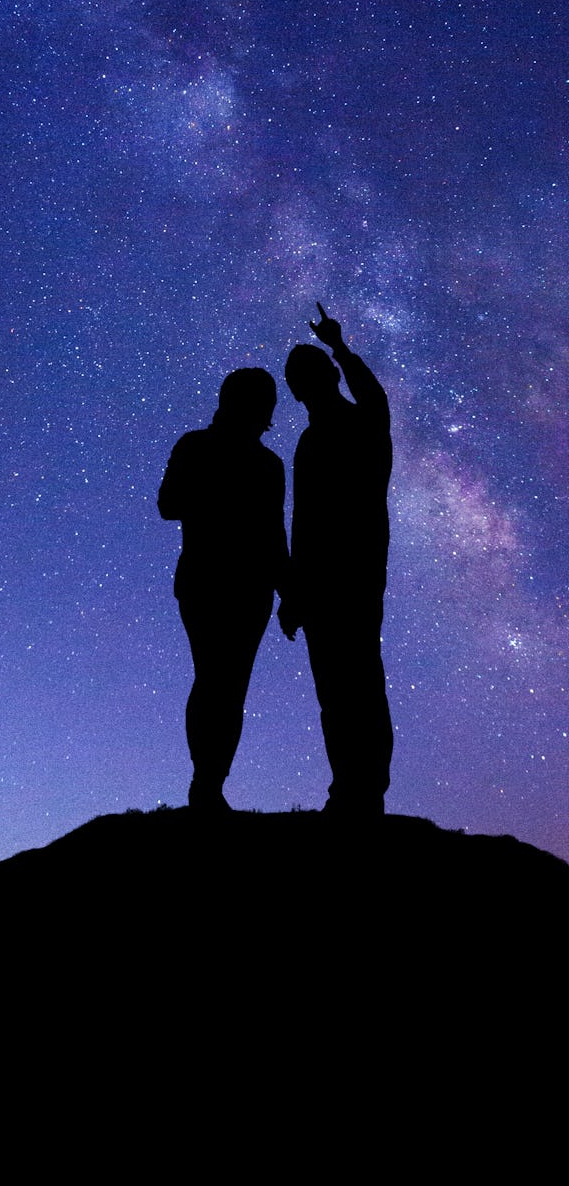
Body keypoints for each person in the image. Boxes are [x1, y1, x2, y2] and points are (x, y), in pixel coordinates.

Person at [278, 304, 393, 820]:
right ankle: (347, 787)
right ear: (296, 391)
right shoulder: (307, 444)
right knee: (335, 692)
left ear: (326, 375)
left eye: (312, 373)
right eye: (298, 380)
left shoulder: (361, 422)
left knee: (361, 684)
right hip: (321, 584)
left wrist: (340, 347)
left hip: (357, 574)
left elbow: (374, 395)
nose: (307, 384)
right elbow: (303, 524)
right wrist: (295, 593)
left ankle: (365, 791)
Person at [158, 367, 290, 813]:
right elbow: (168, 505)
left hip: (245, 588)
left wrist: (287, 593)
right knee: (217, 681)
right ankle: (206, 784)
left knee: (228, 686)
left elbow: (275, 535)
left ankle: (209, 784)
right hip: (208, 581)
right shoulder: (197, 446)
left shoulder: (268, 465)